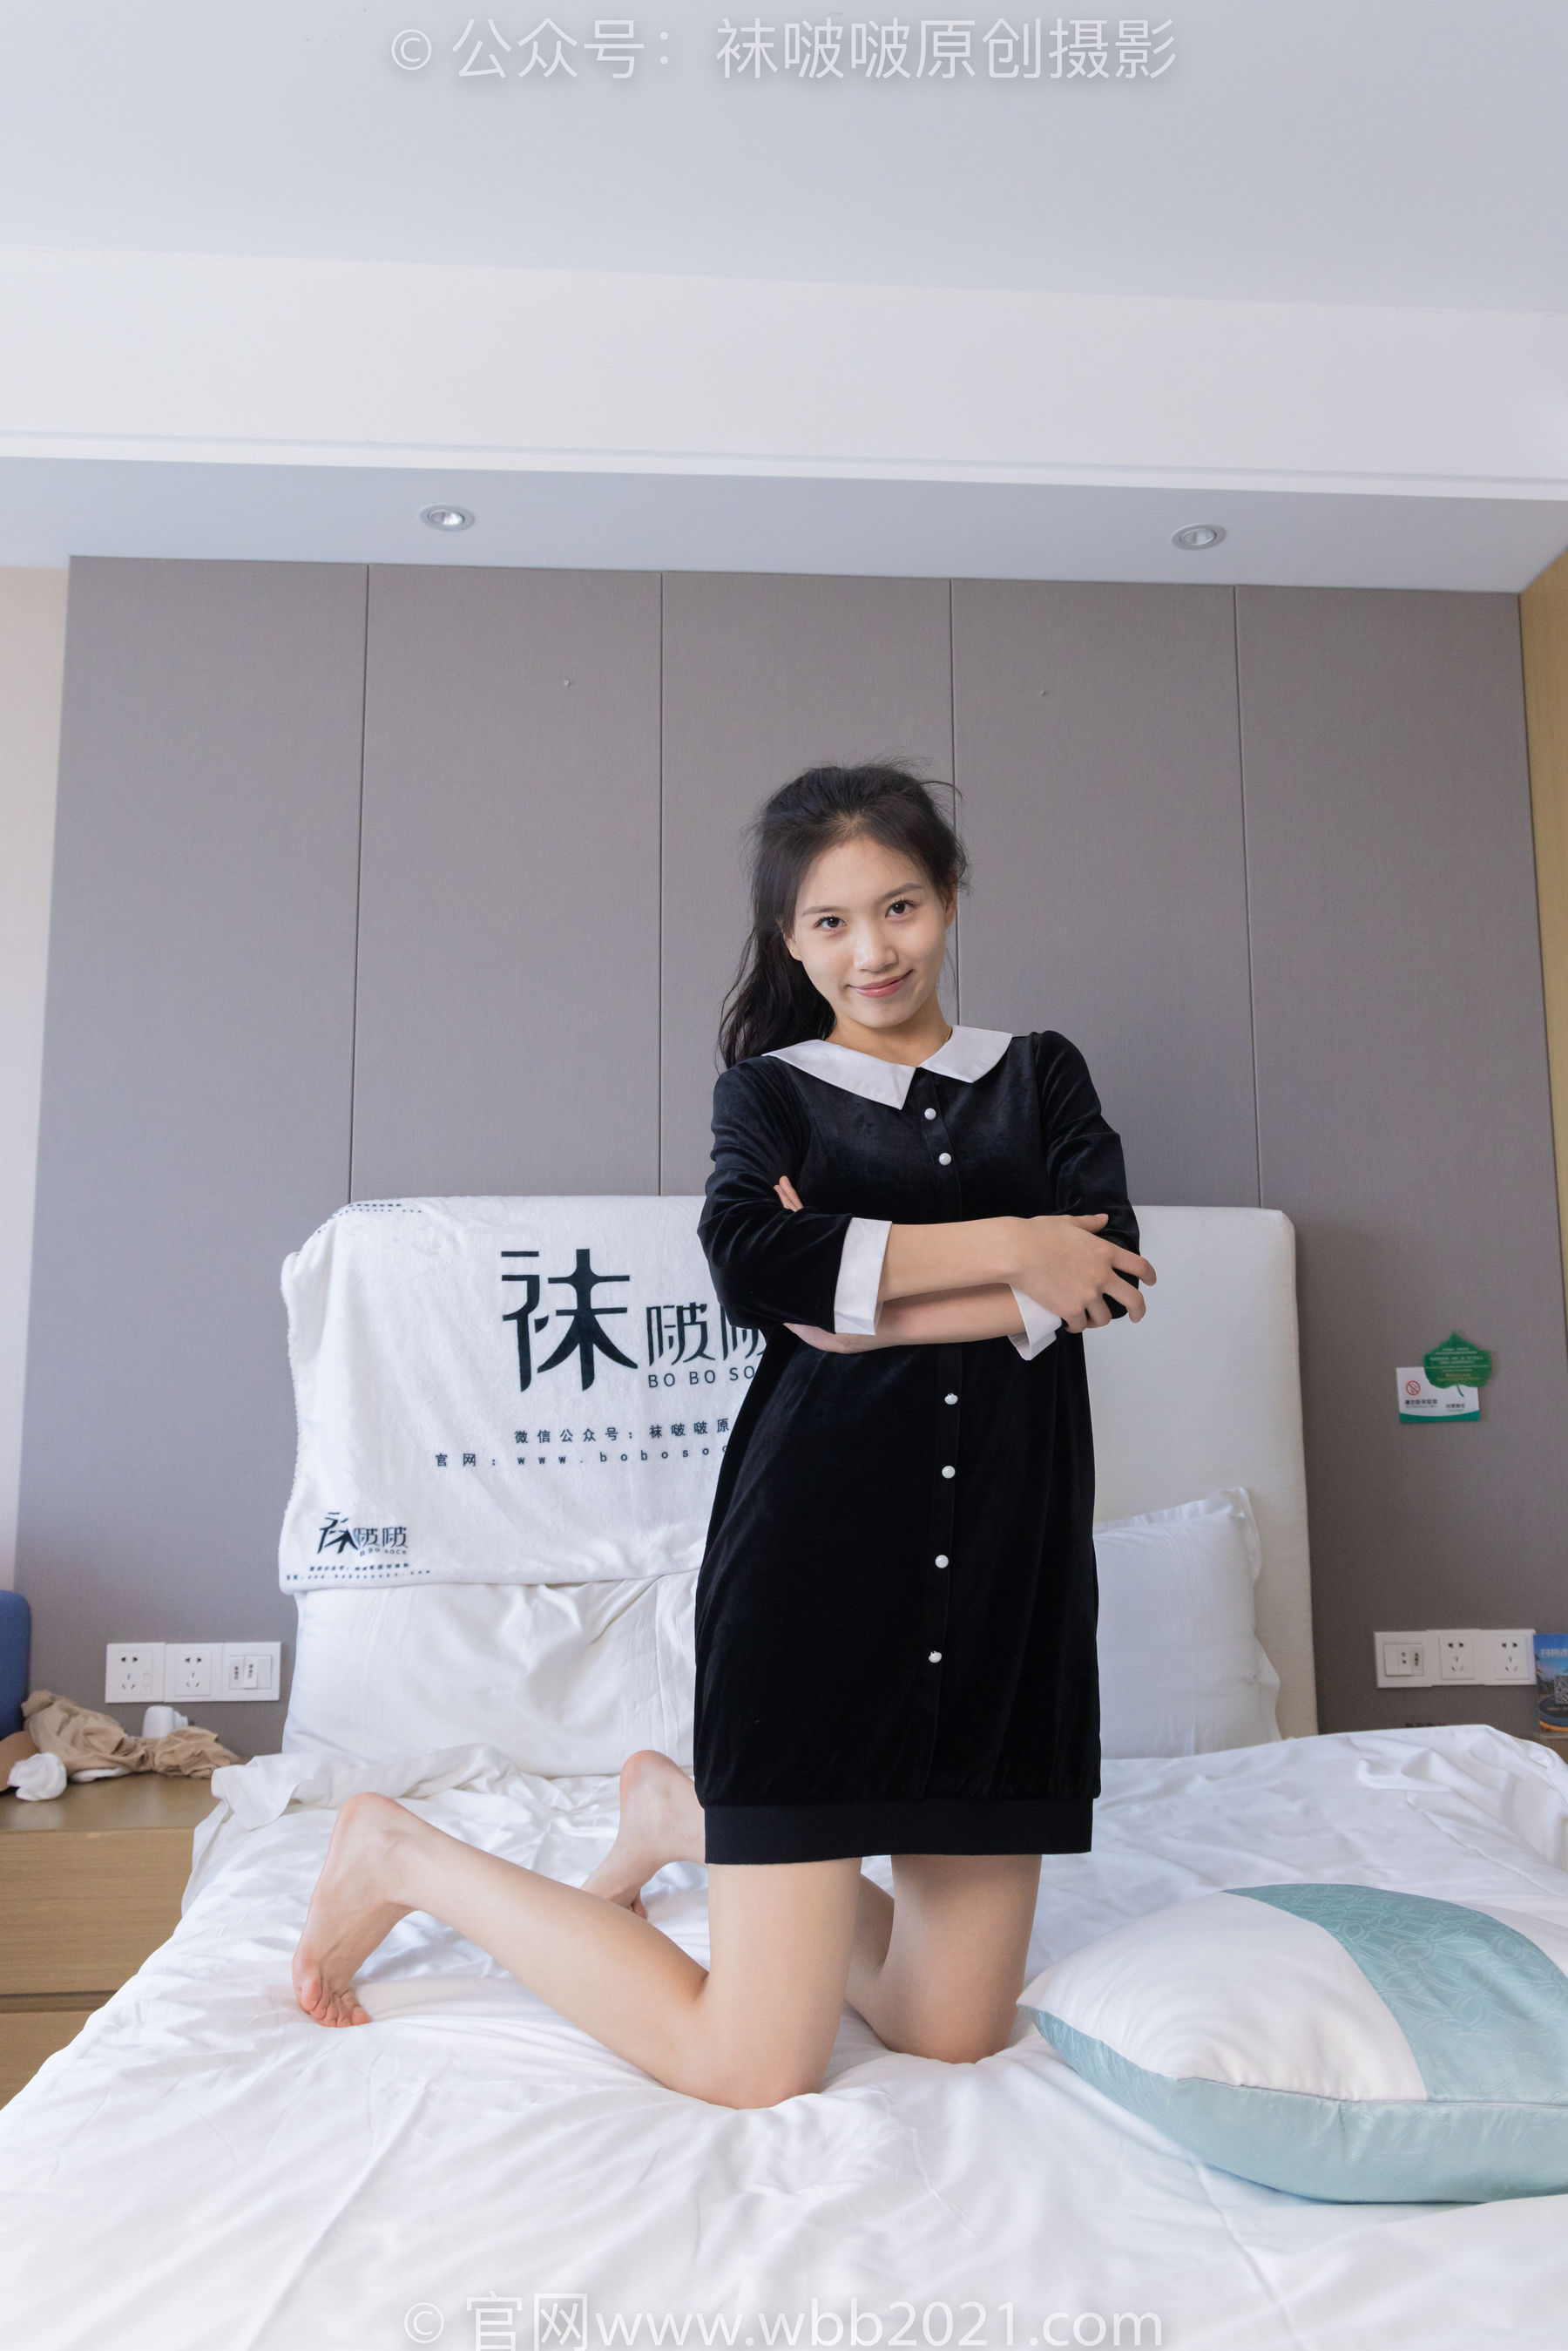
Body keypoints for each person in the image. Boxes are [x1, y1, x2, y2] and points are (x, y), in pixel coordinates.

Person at [290, 762, 1153, 2110]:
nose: (872, 950)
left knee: (953, 2036)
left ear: (949, 897)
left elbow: (1109, 1273)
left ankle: (677, 1816)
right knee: (751, 2067)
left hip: (1004, 1591)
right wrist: (1009, 1243)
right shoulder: (769, 1095)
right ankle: (402, 1852)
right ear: (789, 939)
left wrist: (860, 1307)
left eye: (901, 906)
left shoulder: (1042, 1075)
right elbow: (756, 1264)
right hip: (816, 1583)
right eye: (830, 922)